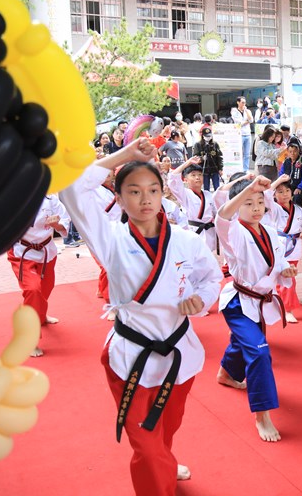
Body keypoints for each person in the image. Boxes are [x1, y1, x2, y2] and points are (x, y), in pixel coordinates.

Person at [60, 138, 222, 495]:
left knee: (167, 426)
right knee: (146, 444)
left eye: (152, 190)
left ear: (164, 193)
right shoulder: (109, 238)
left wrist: (202, 298)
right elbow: (71, 189)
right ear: (118, 198)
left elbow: (213, 278)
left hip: (180, 351)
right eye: (133, 191)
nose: (145, 199)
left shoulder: (186, 240)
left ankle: (163, 457)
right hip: (131, 355)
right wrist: (125, 155)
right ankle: (158, 465)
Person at [215, 176, 297, 441]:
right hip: (239, 303)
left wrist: (286, 268)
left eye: (260, 202)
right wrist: (246, 189)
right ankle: (262, 415)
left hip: (260, 301)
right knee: (260, 353)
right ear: (238, 205)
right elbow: (222, 217)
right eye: (248, 203)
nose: (256, 208)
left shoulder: (270, 231)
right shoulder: (234, 232)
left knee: (245, 344)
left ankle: (226, 373)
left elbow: (279, 260)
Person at [7, 194, 69, 356]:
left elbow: (65, 219)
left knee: (46, 288)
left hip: (46, 249)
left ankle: (40, 314)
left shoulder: (51, 199)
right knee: (33, 290)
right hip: (22, 252)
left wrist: (58, 225)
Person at [266, 175, 302, 323]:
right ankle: (286, 308)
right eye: (279, 191)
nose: (284, 194)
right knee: (284, 276)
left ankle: (284, 304)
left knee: (288, 276)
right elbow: (266, 194)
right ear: (274, 194)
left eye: (286, 191)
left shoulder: (298, 210)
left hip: (294, 245)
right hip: (279, 245)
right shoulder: (274, 208)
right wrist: (277, 181)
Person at [169, 157, 218, 254]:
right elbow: (173, 178)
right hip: (194, 231)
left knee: (210, 259)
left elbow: (216, 213)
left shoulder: (208, 194)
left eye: (200, 175)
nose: (197, 177)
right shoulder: (184, 194)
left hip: (210, 231)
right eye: (193, 175)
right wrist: (188, 162)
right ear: (186, 180)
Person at [192, 127, 224, 191]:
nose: (208, 138)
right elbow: (195, 157)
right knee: (206, 188)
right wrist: (202, 158)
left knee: (217, 187)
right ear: (203, 136)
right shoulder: (198, 145)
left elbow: (219, 157)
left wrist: (220, 168)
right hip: (204, 170)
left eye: (209, 136)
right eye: (206, 136)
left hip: (214, 168)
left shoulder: (215, 144)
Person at [231, 97, 255, 172]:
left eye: (245, 102)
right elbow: (238, 123)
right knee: (239, 153)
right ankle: (238, 169)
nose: (244, 104)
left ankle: (246, 169)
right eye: (242, 102)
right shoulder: (234, 111)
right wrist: (246, 122)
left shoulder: (247, 111)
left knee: (247, 154)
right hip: (239, 134)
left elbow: (251, 120)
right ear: (238, 102)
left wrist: (246, 111)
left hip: (248, 134)